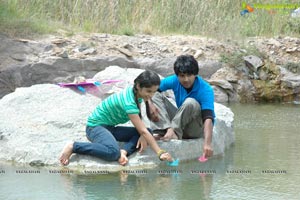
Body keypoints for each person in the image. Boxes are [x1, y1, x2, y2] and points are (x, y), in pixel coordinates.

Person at [59, 70, 173, 166]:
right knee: (113, 152)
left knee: (148, 132)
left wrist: (149, 104)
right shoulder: (129, 102)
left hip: (110, 128)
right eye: (149, 91)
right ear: (138, 86)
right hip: (95, 127)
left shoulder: (136, 93)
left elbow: (143, 128)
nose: (151, 95)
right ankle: (74, 146)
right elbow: (142, 129)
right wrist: (160, 152)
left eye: (153, 92)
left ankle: (124, 152)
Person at [148, 55, 215, 158]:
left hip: (195, 128)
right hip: (181, 121)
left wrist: (207, 144)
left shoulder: (205, 89)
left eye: (189, 75)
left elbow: (208, 118)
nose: (186, 79)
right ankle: (167, 129)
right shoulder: (174, 80)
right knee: (155, 95)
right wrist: (150, 103)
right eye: (182, 76)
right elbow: (152, 90)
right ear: (177, 75)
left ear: (195, 74)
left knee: (190, 102)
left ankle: (173, 132)